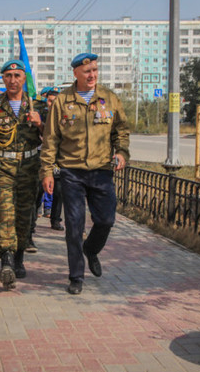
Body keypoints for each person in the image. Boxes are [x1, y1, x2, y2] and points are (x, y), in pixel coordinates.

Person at [40, 53, 130, 295]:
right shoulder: (62, 101)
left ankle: (91, 250)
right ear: (76, 74)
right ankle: (76, 276)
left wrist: (121, 152)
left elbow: (121, 130)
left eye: (95, 70)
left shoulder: (109, 98)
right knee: (74, 225)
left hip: (101, 171)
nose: (92, 75)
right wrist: (47, 171)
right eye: (87, 71)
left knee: (106, 220)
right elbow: (50, 139)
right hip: (72, 172)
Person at [0, 59, 45, 290]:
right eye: (8, 75)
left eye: (17, 75)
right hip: (3, 168)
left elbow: (52, 138)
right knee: (5, 214)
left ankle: (19, 255)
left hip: (29, 168)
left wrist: (40, 124)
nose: (12, 80)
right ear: (3, 78)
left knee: (24, 216)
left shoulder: (37, 106)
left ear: (24, 79)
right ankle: (6, 260)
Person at [43, 87, 65, 232]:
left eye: (55, 101)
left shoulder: (64, 117)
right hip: (39, 157)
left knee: (58, 190)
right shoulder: (40, 114)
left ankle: (55, 219)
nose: (52, 104)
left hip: (57, 158)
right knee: (38, 190)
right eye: (50, 101)